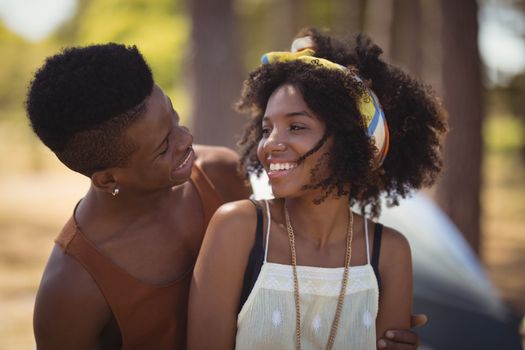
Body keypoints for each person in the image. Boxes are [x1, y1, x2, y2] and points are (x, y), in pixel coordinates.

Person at [27, 42, 427, 349]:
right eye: (164, 146)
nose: (189, 140)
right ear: (107, 177)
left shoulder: (217, 174)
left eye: (175, 117)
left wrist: (366, 317)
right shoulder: (70, 292)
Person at [188, 28, 447, 350]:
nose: (270, 144)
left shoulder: (389, 252)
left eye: (296, 126)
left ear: (351, 142)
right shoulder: (238, 228)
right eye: (267, 129)